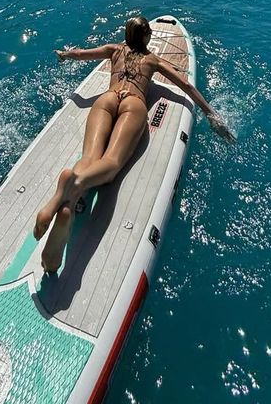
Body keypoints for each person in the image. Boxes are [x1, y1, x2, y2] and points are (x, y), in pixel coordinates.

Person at [33, 15, 235, 272]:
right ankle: (77, 184)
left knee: (89, 158)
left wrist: (64, 55)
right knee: (112, 162)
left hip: (107, 99)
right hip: (132, 103)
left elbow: (82, 54)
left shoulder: (113, 50)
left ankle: (69, 194)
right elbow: (184, 84)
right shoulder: (152, 60)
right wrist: (211, 115)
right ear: (147, 36)